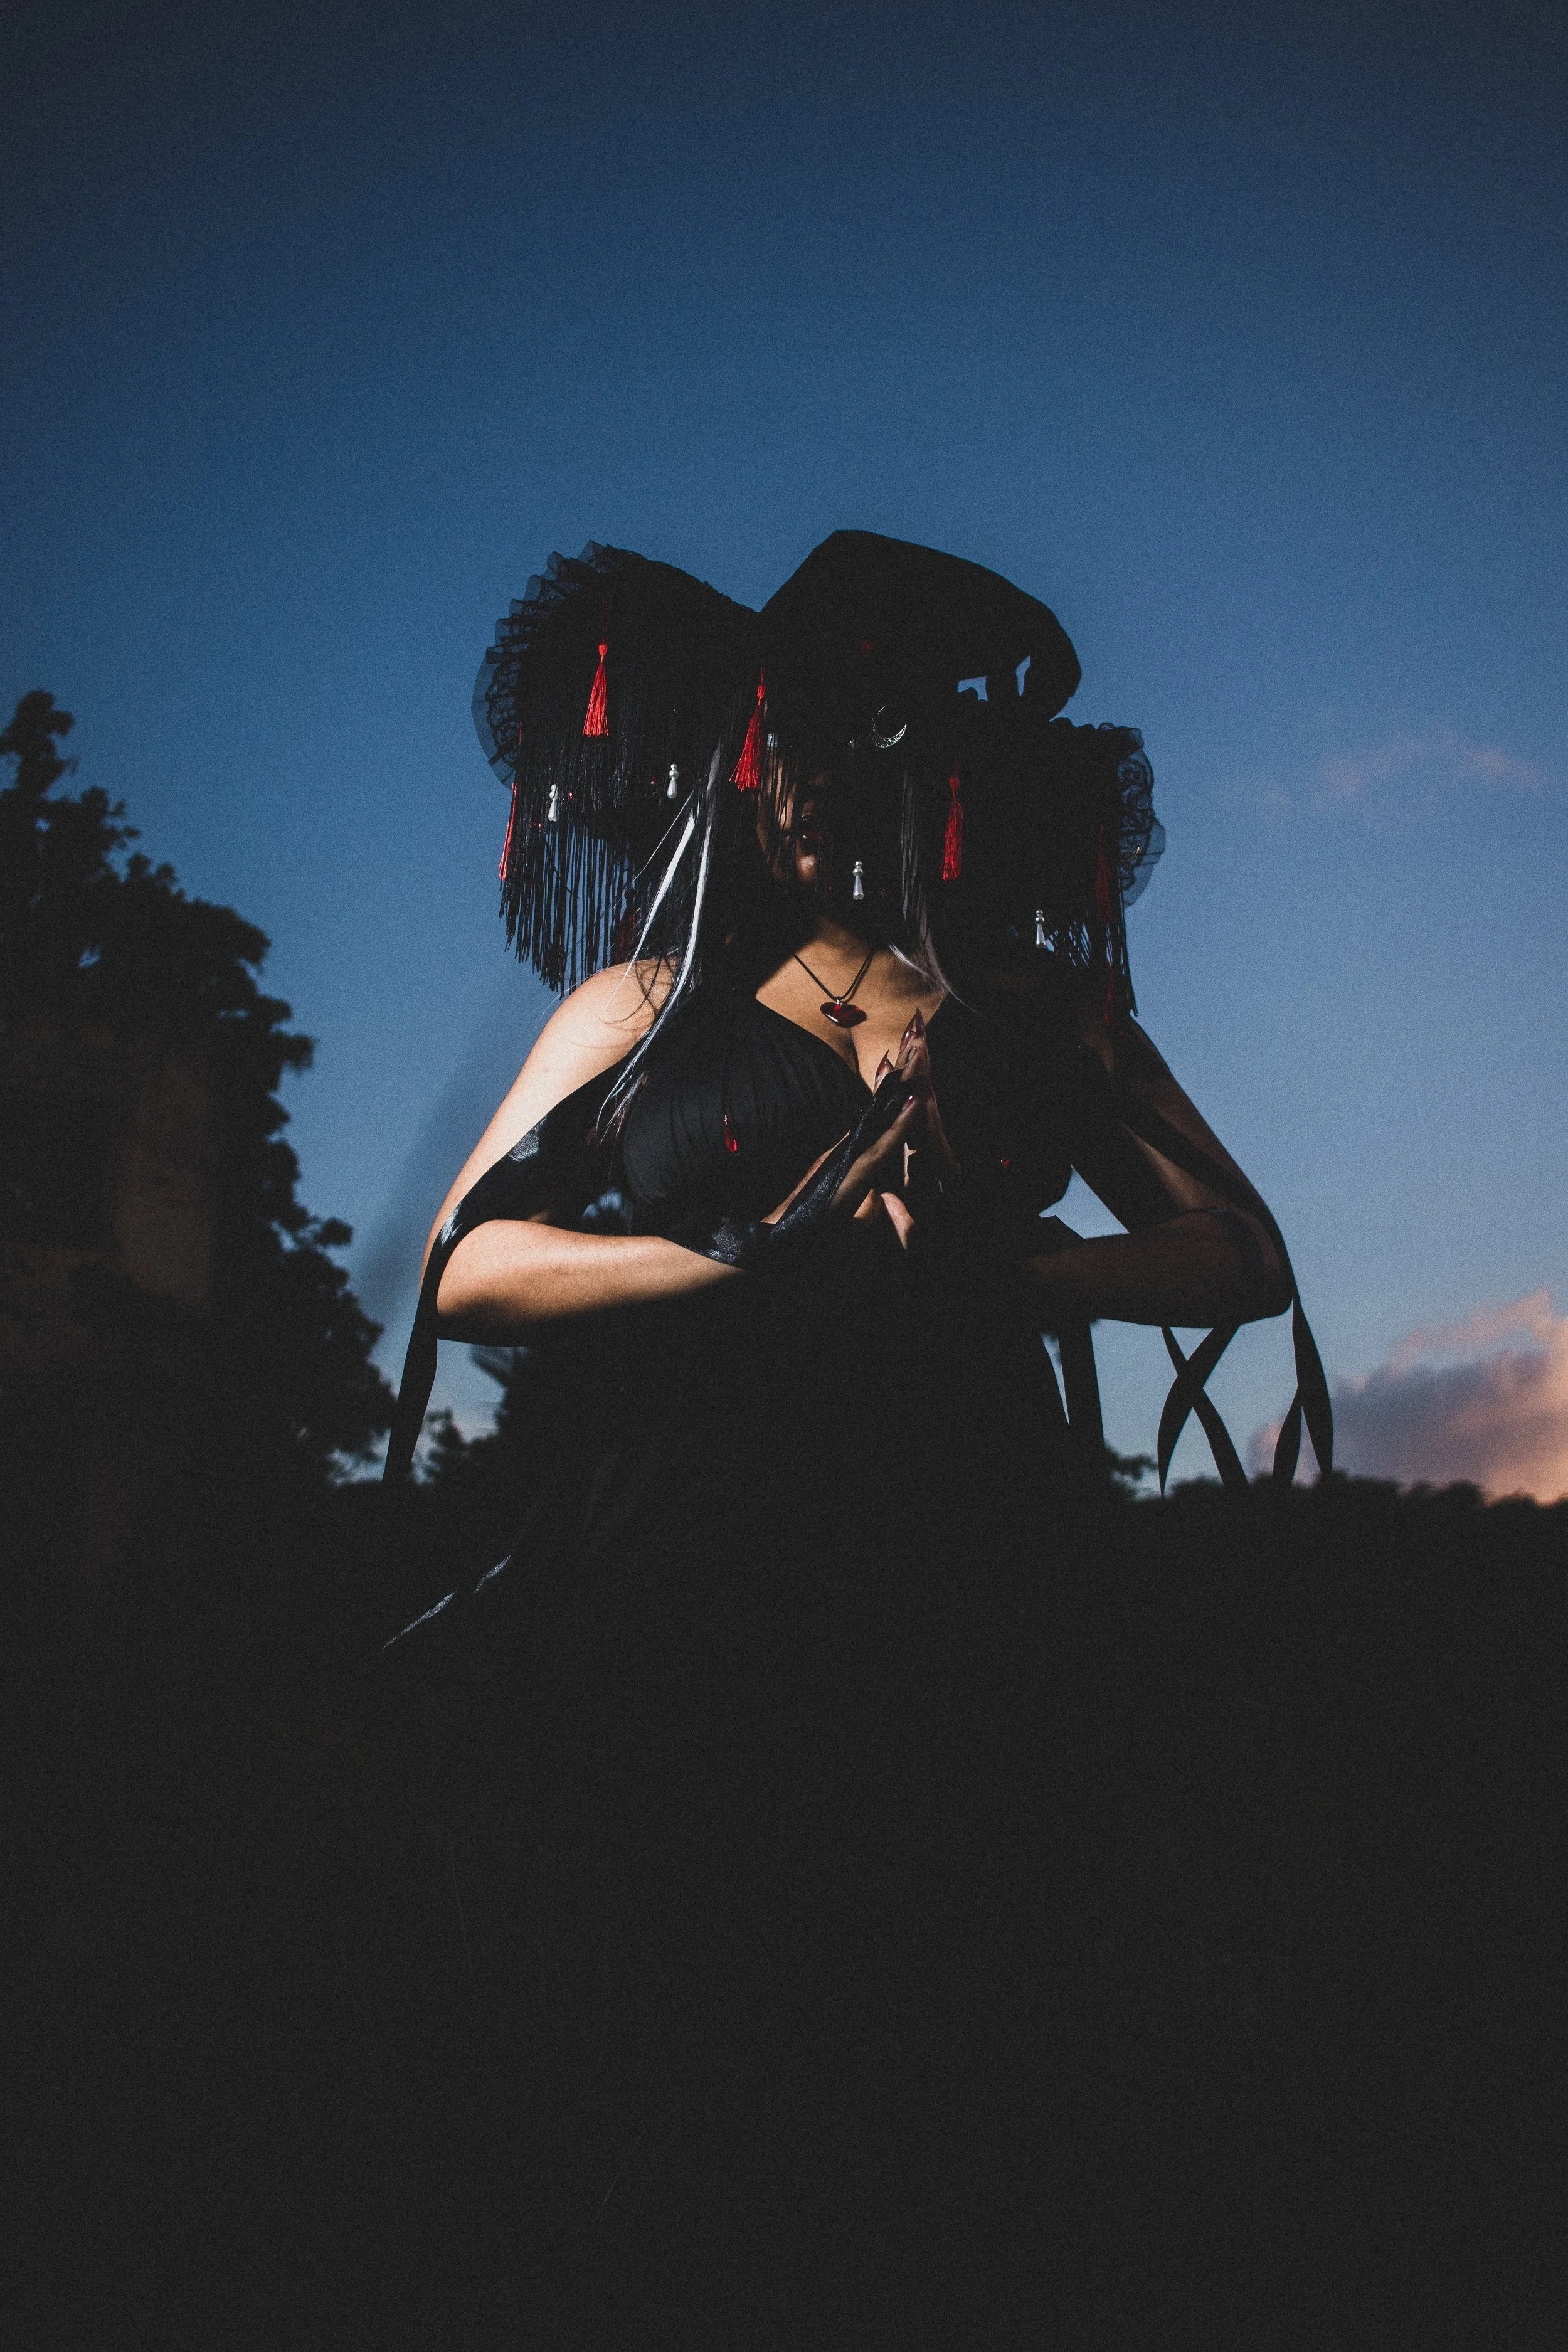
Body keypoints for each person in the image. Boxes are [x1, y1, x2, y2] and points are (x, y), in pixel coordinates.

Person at [382, 532, 1330, 2341]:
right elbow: (467, 1267)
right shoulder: (640, 1011)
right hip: (681, 1594)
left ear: (942, 781)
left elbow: (1244, 1250)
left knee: (984, 2053)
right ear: (741, 771)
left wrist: (1038, 1271)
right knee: (679, 2053)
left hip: (987, 1579)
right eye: (789, 754)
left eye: (864, 756)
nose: (821, 790)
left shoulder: (1043, 1015)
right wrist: (724, 1253)